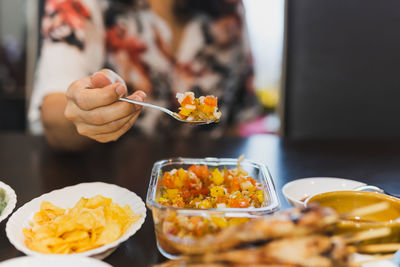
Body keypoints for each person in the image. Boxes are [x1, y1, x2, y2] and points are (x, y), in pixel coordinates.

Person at [28, 0, 261, 151]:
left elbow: (239, 120)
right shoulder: (79, 5)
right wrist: (85, 109)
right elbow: (55, 117)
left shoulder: (229, 10)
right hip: (113, 190)